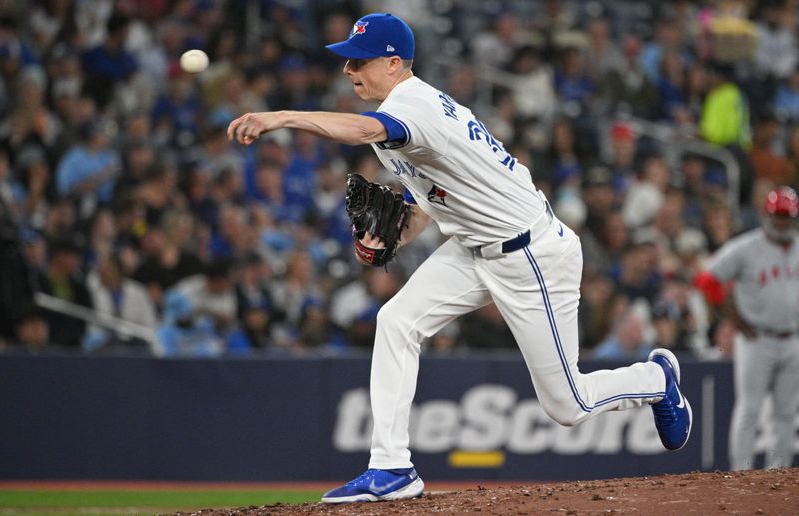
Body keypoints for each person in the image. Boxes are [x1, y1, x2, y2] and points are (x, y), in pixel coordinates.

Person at [228, 13, 692, 504]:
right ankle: (391, 467)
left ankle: (655, 380)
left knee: (567, 404)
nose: (347, 70)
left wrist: (282, 117)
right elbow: (432, 202)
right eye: (346, 61)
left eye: (358, 61)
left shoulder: (414, 105)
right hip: (474, 245)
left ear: (392, 63)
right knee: (396, 322)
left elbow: (362, 130)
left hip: (530, 254)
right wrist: (393, 238)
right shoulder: (402, 113)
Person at [694, 186, 799, 470]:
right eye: (777, 216)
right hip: (756, 338)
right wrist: (734, 318)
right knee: (749, 409)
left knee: (787, 413)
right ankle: (740, 476)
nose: (782, 222)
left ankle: (779, 475)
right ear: (767, 215)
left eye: (787, 217)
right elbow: (707, 280)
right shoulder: (747, 247)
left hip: (793, 340)